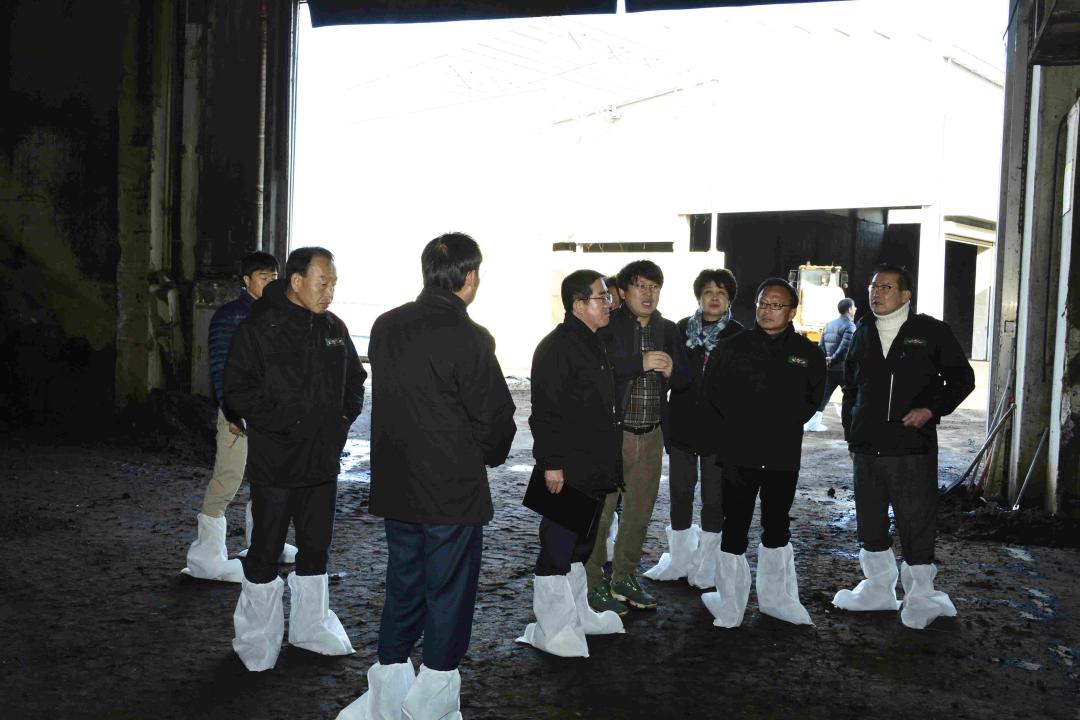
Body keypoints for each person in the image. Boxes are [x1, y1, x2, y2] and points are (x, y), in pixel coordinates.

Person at [338, 232, 516, 720]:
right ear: (471, 276)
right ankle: (434, 699)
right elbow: (496, 419)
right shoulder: (470, 336)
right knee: (449, 593)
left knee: (404, 584)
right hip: (451, 491)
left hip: (398, 485)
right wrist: (489, 455)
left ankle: (389, 688)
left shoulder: (385, 326)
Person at [224, 246, 366, 671]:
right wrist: (285, 423)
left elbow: (356, 380)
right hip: (278, 463)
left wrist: (342, 418)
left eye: (335, 284)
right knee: (265, 550)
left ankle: (310, 630)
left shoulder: (334, 329)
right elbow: (237, 388)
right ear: (298, 281)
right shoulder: (260, 328)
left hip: (322, 463)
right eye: (324, 283)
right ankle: (257, 642)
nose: (331, 292)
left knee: (316, 548)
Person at [832, 263, 974, 629]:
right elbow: (850, 387)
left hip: (911, 447)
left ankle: (921, 596)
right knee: (871, 519)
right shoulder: (862, 330)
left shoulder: (930, 332)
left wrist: (930, 409)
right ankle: (878, 590)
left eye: (887, 287)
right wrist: (852, 431)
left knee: (915, 521)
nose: (876, 293)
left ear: (906, 295)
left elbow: (963, 379)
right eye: (873, 286)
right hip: (867, 446)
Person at [702, 278, 825, 628]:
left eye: (777, 305)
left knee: (776, 525)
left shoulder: (808, 353)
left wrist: (782, 422)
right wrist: (740, 426)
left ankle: (777, 600)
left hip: (782, 455)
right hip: (738, 454)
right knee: (735, 526)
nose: (768, 311)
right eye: (763, 304)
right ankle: (730, 603)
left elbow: (814, 396)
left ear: (791, 311)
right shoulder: (732, 346)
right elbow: (712, 392)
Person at [517, 270, 626, 658]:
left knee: (582, 544)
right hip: (568, 469)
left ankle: (577, 613)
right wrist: (551, 464)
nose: (609, 303)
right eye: (602, 298)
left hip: (594, 466)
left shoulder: (595, 342)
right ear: (579, 304)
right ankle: (552, 628)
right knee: (558, 546)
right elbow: (544, 413)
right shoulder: (557, 347)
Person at [181, 251, 299, 583]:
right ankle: (206, 558)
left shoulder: (279, 314)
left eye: (274, 277)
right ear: (246, 281)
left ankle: (264, 544)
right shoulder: (229, 317)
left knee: (269, 478)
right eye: (264, 277)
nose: (271, 283)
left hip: (272, 414)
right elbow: (219, 367)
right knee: (229, 476)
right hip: (241, 413)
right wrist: (232, 411)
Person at [584, 260, 692, 614]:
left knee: (639, 512)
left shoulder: (669, 329)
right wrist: (640, 362)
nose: (648, 294)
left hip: (652, 433)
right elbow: (597, 374)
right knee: (602, 512)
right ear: (624, 291)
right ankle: (594, 580)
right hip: (613, 435)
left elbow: (685, 378)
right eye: (641, 286)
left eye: (654, 287)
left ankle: (624, 577)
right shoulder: (607, 326)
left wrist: (675, 371)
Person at [644, 268, 742, 588]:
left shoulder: (739, 335)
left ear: (729, 299)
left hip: (721, 432)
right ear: (699, 296)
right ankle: (680, 559)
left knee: (714, 499)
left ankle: (708, 564)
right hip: (683, 426)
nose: (715, 298)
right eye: (709, 292)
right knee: (680, 493)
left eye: (722, 292)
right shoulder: (682, 329)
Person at [804, 298, 856, 432]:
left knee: (823, 395)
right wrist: (832, 359)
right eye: (854, 307)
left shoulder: (829, 324)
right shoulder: (850, 326)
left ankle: (812, 424)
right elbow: (845, 348)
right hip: (843, 368)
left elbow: (821, 346)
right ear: (849, 309)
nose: (855, 309)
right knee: (851, 396)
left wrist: (825, 360)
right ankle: (851, 425)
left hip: (829, 367)